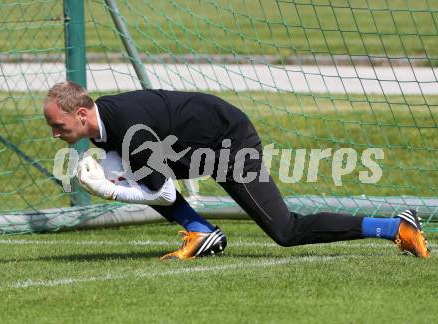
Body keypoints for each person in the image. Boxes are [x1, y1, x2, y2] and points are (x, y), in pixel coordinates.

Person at [43, 81, 430, 260]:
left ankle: (396, 226)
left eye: (58, 126)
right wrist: (116, 174)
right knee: (137, 174)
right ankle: (203, 233)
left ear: (80, 113)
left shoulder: (126, 129)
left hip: (229, 142)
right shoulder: (103, 124)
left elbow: (159, 193)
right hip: (198, 145)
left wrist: (108, 190)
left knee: (286, 231)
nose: (55, 134)